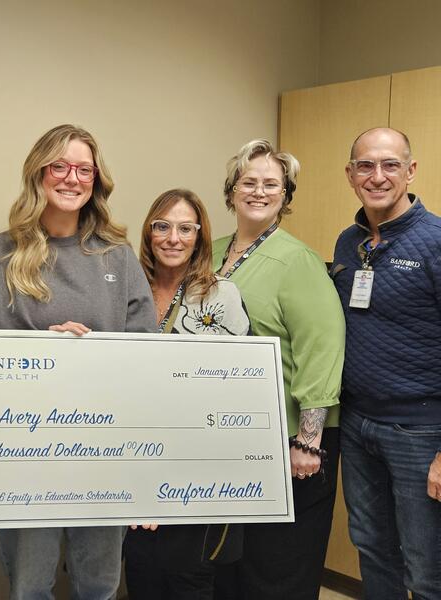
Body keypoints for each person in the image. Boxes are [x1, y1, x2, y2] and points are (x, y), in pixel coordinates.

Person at [0, 124, 155, 600]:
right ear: (39, 175)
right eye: (59, 166)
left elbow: (148, 356)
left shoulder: (118, 257)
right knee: (29, 588)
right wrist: (41, 351)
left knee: (100, 586)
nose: (71, 178)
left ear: (96, 180)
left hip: (105, 453)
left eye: (83, 169)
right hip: (24, 456)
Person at [212, 139, 345, 600]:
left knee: (277, 568)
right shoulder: (208, 253)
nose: (259, 191)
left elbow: (322, 350)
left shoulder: (298, 261)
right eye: (249, 181)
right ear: (231, 191)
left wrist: (308, 441)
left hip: (291, 441)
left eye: (272, 184)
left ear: (286, 197)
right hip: (227, 434)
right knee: (230, 564)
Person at [331, 127, 441, 599]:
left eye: (390, 164)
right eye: (365, 166)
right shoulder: (347, 243)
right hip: (357, 425)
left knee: (426, 567)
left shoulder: (436, 241)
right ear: (351, 175)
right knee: (373, 549)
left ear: (411, 170)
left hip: (421, 431)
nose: (377, 176)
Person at [124, 188, 249, 600]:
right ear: (148, 232)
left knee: (186, 576)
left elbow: (233, 389)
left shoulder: (219, 295)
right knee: (141, 573)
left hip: (195, 463)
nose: (172, 238)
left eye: (185, 228)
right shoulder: (126, 288)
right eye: (162, 226)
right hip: (133, 458)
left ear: (200, 236)